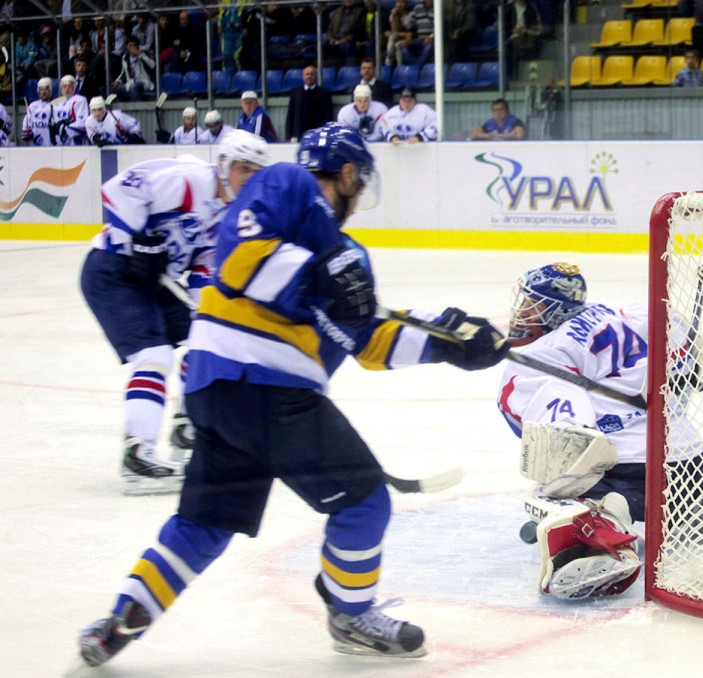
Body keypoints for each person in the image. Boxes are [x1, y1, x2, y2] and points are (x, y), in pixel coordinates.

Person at [77, 123, 509, 667]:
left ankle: (124, 615)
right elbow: (238, 259)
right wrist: (319, 273)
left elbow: (368, 339)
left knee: (205, 524)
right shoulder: (286, 182)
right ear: (349, 174)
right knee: (365, 501)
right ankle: (351, 613)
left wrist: (449, 343)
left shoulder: (349, 256)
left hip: (220, 392)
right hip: (267, 389)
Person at [496, 263, 703, 599]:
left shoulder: (543, 354)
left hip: (635, 472)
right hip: (692, 468)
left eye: (532, 305)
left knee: (547, 490)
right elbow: (683, 336)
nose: (523, 312)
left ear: (557, 308)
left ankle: (606, 519)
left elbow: (524, 417)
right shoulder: (630, 313)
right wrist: (691, 365)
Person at [78, 130, 269, 496]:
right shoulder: (190, 180)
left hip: (154, 280)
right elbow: (119, 188)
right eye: (244, 168)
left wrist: (211, 312)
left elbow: (203, 267)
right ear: (225, 165)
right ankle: (139, 452)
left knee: (205, 337)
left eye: (257, 171)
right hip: (113, 269)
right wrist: (138, 239)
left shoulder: (231, 216)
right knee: (154, 355)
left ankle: (186, 424)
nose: (250, 177)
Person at [285, 64, 334, 142]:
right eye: (307, 74)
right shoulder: (295, 93)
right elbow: (291, 115)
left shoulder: (324, 93)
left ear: (316, 76)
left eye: (312, 74)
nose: (309, 76)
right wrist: (288, 136)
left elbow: (328, 116)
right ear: (303, 76)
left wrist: (327, 134)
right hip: (299, 135)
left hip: (318, 134)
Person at [71, 96, 145, 147]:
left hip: (127, 147)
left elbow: (135, 124)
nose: (97, 113)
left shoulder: (116, 116)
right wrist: (96, 139)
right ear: (90, 111)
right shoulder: (89, 121)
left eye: (99, 109)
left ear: (104, 108)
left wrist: (134, 135)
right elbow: (92, 136)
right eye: (94, 110)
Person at [113, 37, 156, 102]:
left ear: (138, 46)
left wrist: (140, 54)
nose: (132, 47)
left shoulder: (143, 54)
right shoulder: (125, 57)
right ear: (127, 47)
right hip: (130, 83)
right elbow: (123, 72)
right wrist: (118, 81)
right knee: (114, 89)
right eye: (130, 45)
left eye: (134, 45)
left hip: (144, 82)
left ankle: (137, 110)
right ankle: (120, 109)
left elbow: (152, 65)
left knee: (134, 87)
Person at [19, 77, 55, 146]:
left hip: (51, 145)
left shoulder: (57, 104)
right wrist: (26, 132)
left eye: (46, 89)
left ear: (50, 90)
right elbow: (27, 124)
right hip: (34, 145)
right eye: (41, 89)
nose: (43, 92)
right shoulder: (32, 106)